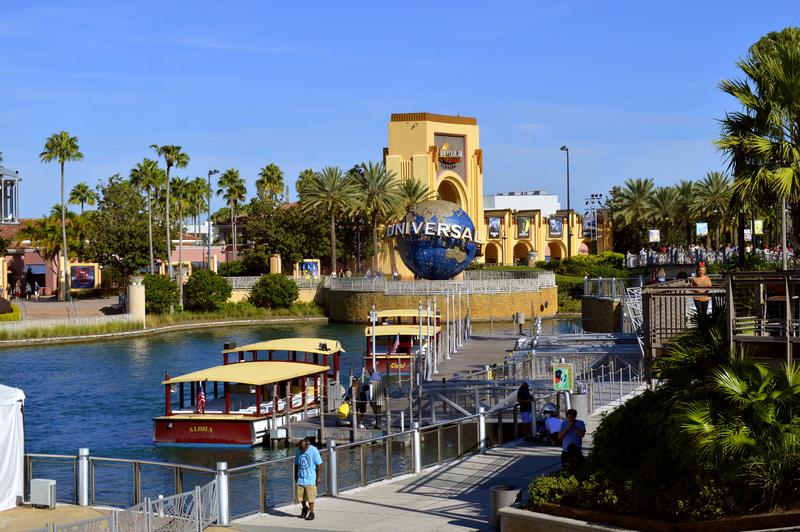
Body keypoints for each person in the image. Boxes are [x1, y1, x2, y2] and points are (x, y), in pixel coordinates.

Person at [294, 438, 322, 521]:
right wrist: (295, 475)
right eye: (301, 449)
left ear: (306, 446)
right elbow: (296, 463)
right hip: (301, 478)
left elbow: (319, 464)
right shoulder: (298, 450)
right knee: (301, 497)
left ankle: (312, 512)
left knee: (311, 497)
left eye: (303, 449)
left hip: (311, 478)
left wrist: (318, 477)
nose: (302, 451)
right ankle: (304, 508)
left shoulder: (314, 450)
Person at [517, 378, 534, 442]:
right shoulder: (521, 389)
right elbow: (519, 399)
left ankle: (529, 435)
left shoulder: (526, 389)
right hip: (524, 409)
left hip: (528, 408)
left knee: (529, 422)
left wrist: (531, 398)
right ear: (525, 383)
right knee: (525, 423)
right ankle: (525, 435)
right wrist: (527, 401)